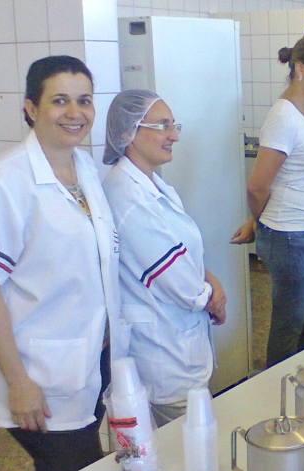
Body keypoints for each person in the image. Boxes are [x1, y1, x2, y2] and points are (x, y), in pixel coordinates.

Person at [0, 56, 121, 471]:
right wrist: (18, 382)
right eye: (59, 101)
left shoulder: (83, 168)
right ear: (32, 108)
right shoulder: (3, 179)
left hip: (90, 358)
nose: (75, 113)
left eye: (84, 101)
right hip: (40, 371)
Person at [102, 90, 227, 427]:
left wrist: (209, 278)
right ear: (129, 131)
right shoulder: (128, 199)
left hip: (178, 343)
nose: (174, 136)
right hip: (164, 357)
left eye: (174, 126)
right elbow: (181, 284)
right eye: (162, 126)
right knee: (186, 446)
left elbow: (182, 253)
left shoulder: (151, 184)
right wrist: (212, 297)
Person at [231, 35, 304, 367]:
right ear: (300, 67)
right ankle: (276, 389)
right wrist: (259, 223)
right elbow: (257, 186)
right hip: (289, 235)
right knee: (289, 326)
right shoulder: (284, 116)